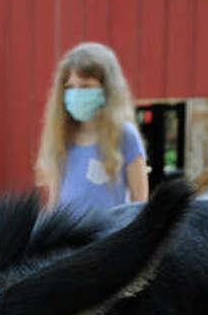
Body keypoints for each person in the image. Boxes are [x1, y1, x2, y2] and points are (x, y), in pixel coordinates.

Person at [36, 42, 148, 214]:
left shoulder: (125, 136)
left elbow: (140, 203)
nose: (76, 94)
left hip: (110, 237)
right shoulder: (61, 136)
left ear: (107, 90)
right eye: (70, 87)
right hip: (70, 238)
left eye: (86, 86)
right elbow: (55, 200)